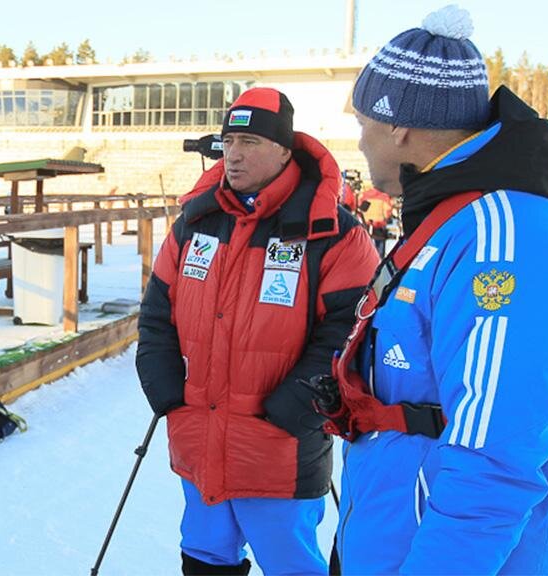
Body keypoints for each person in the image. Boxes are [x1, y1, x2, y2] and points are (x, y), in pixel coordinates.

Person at [315, 6, 548, 574]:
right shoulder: (451, 219)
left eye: (363, 122)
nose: (361, 140)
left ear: (398, 125)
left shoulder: (507, 240)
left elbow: (493, 462)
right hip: (388, 538)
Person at [136, 87, 379, 575]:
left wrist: (297, 405)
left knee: (290, 562)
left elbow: (353, 330)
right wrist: (162, 383)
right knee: (205, 556)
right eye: (228, 141)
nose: (235, 154)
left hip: (279, 448)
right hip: (200, 437)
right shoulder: (196, 222)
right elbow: (157, 312)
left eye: (249, 141)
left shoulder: (332, 230)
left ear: (285, 150)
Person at [358, 185, 395, 255]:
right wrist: (385, 219)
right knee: (380, 246)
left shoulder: (364, 195)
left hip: (367, 224)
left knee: (367, 245)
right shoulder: (384, 197)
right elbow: (387, 211)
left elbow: (360, 210)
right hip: (379, 224)